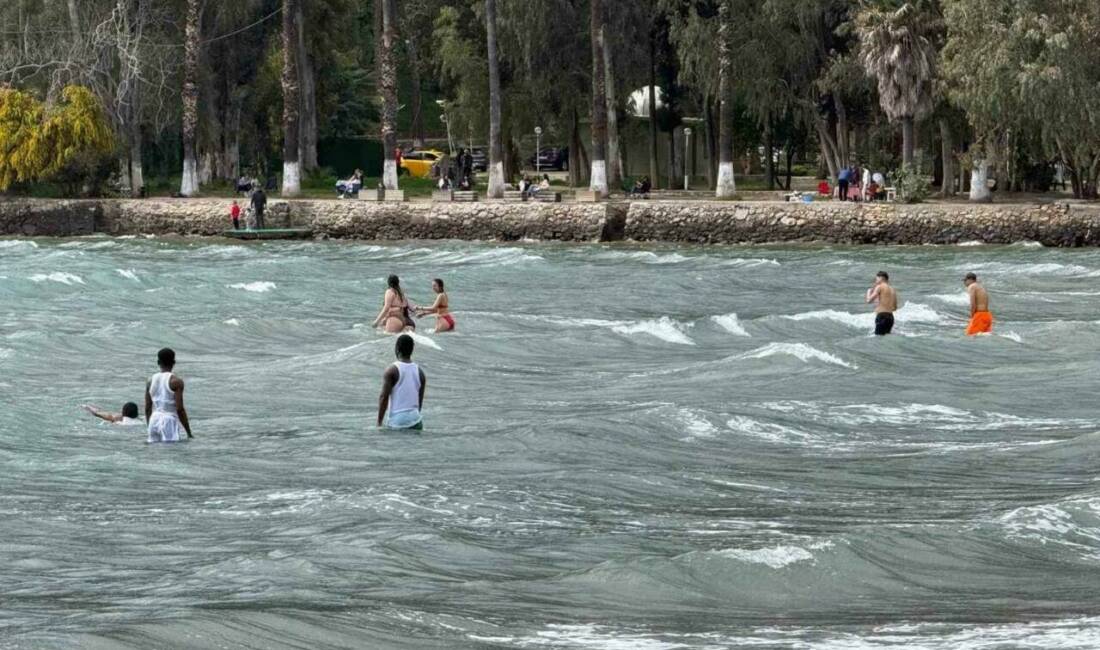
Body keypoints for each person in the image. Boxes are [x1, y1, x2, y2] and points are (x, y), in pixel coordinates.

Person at [377, 334, 426, 430]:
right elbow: (419, 402)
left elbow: (383, 397)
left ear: (397, 349)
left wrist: (379, 423)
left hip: (398, 420)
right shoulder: (420, 372)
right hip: (416, 419)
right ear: (412, 350)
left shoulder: (391, 370)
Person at [145, 348, 193, 443]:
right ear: (174, 362)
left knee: (154, 450)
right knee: (171, 450)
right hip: (169, 420)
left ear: (158, 362)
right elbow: (180, 409)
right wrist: (188, 432)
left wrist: (149, 426)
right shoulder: (176, 382)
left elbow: (147, 407)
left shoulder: (150, 381)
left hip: (154, 419)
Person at [866, 270, 898, 336]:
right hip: (890, 317)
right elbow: (894, 308)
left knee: (877, 338)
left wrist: (868, 292)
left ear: (881, 278)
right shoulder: (892, 289)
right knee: (886, 338)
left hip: (882, 316)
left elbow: (869, 301)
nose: (876, 280)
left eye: (876, 278)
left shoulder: (879, 286)